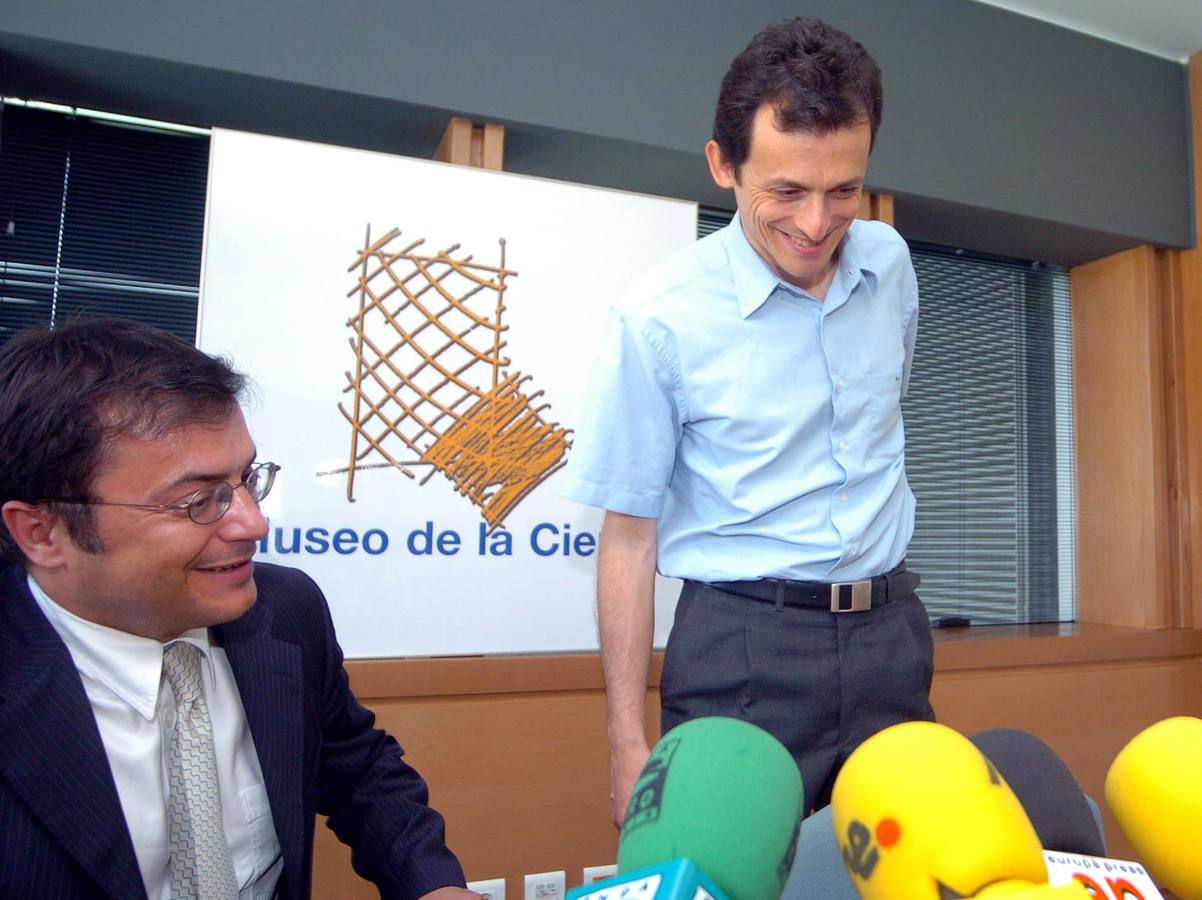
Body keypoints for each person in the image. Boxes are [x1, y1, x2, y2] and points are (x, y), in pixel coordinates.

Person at [561, 17, 935, 826]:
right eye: (786, 192)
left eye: (843, 190)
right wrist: (628, 747)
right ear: (722, 166)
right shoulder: (655, 318)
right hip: (743, 648)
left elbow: (881, 425)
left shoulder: (891, 266)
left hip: (890, 638)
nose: (815, 225)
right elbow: (626, 540)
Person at [0, 318, 478, 900]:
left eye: (247, 479)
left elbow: (357, 766)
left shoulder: (284, 610)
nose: (254, 522)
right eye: (199, 500)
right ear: (42, 532)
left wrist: (431, 886)